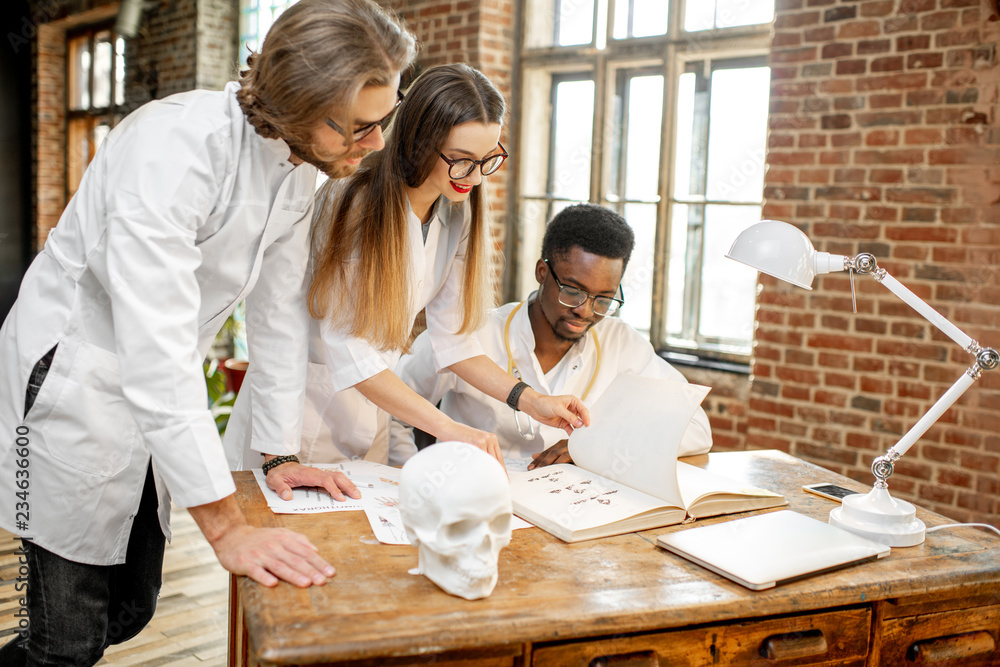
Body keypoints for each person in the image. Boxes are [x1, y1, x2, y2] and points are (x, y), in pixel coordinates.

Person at [0, 1, 416, 664]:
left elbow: (277, 312)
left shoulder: (301, 168)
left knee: (130, 610)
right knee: (66, 640)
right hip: (69, 382)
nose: (376, 145)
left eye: (384, 119)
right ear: (294, 101)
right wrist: (227, 529)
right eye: (359, 127)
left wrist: (277, 455)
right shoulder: (172, 153)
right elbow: (155, 347)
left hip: (149, 386)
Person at [226, 64, 589, 476]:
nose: (474, 177)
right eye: (460, 160)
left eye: (487, 159)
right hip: (298, 420)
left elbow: (454, 342)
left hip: (373, 416)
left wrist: (531, 399)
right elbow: (352, 354)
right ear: (420, 142)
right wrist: (449, 428)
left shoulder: (457, 212)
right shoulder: (353, 202)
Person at [391, 203, 713, 468]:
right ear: (542, 273)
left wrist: (594, 445)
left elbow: (696, 427)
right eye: (573, 291)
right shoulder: (469, 335)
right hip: (473, 508)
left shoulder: (622, 344)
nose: (586, 311)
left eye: (604, 299)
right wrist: (413, 483)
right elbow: (390, 411)